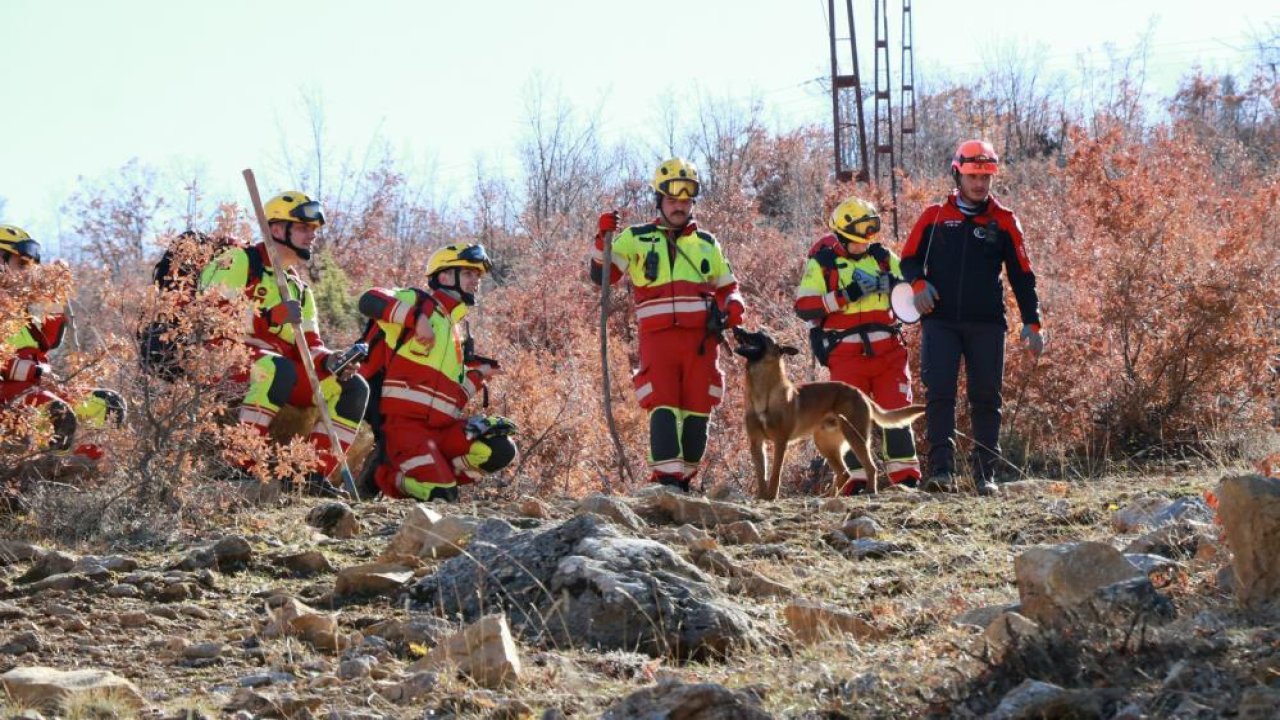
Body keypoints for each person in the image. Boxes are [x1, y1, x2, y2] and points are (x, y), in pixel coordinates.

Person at [590, 158, 746, 492]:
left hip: (701, 343)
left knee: (697, 414)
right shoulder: (635, 238)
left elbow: (728, 286)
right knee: (662, 406)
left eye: (686, 200)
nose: (680, 206)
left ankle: (684, 480)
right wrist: (603, 237)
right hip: (657, 341)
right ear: (659, 200)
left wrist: (733, 306)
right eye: (673, 199)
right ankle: (665, 484)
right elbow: (602, 277)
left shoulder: (707, 242)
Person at [899, 140, 1044, 495]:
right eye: (973, 175)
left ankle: (985, 477)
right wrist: (918, 284)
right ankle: (941, 472)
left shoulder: (1005, 220)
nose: (980, 183)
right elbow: (907, 258)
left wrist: (1033, 321)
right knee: (940, 393)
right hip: (940, 321)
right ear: (957, 174)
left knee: (986, 396)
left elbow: (1023, 275)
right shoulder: (933, 216)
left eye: (985, 176)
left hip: (987, 323)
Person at [198, 192, 368, 492]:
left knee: (353, 387)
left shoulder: (299, 290)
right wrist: (271, 317)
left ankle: (310, 475)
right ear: (277, 229)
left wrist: (331, 361)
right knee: (277, 368)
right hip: (223, 362)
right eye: (304, 227)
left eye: (314, 229)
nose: (312, 235)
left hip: (277, 369)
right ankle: (241, 464)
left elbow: (311, 344)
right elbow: (208, 318)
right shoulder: (238, 261)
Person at [357, 243, 517, 502]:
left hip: (443, 431)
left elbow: (452, 400)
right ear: (444, 277)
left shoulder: (459, 334)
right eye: (468, 274)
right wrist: (416, 318)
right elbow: (369, 299)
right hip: (404, 430)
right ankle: (383, 475)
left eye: (477, 275)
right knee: (441, 495)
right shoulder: (419, 303)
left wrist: (479, 376)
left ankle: (436, 472)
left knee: (500, 448)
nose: (475, 280)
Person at [794, 196, 920, 493]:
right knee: (848, 418)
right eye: (858, 238)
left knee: (897, 411)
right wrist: (843, 296)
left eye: (869, 236)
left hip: (889, 353)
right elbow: (803, 306)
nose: (865, 243)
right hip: (846, 355)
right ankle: (856, 483)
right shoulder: (823, 264)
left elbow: (913, 290)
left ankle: (906, 481)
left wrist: (894, 284)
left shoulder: (883, 257)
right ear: (842, 236)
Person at [1, 225, 126, 459]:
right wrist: (35, 371)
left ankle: (83, 476)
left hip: (33, 388)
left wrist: (52, 297)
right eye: (22, 265)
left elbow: (50, 340)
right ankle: (42, 479)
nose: (28, 273)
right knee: (56, 413)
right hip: (7, 397)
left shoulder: (21, 309)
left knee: (107, 405)